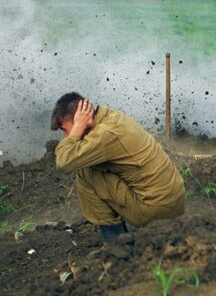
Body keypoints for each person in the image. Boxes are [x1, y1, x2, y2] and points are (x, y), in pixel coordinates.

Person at [51, 92, 185, 242]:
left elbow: (64, 162)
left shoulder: (105, 134)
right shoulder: (111, 117)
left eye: (64, 129)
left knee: (85, 172)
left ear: (80, 118)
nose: (66, 136)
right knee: (90, 162)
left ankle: (116, 245)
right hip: (172, 201)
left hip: (159, 210)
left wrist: (77, 129)